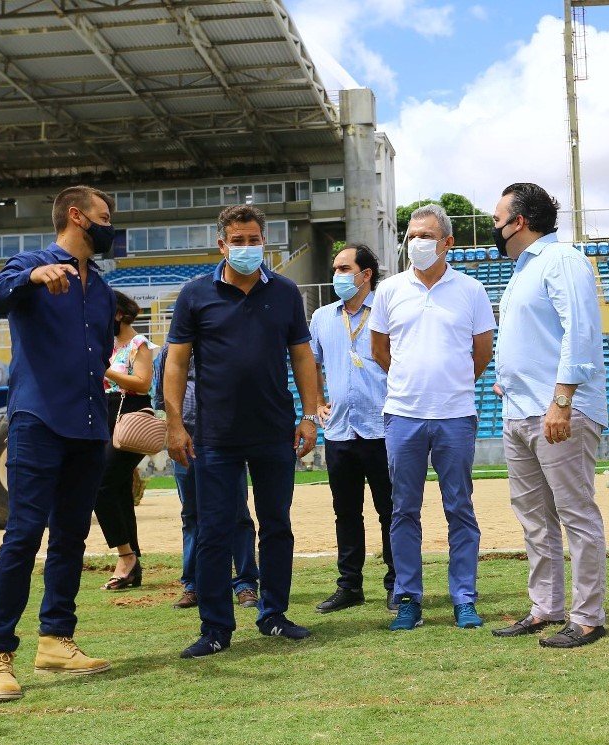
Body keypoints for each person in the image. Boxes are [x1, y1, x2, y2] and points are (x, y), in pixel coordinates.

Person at [0, 185, 117, 702]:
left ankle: (57, 639)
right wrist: (33, 276)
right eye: (104, 217)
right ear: (77, 217)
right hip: (38, 421)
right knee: (23, 534)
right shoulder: (31, 264)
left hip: (88, 424)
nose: (110, 226)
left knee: (72, 537)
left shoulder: (100, 288)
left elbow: (99, 352)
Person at [164, 204, 319, 658]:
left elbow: (303, 357)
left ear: (263, 241)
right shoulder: (195, 295)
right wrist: (174, 423)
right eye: (239, 240)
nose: (248, 248)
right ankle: (215, 627)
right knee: (215, 530)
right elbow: (175, 362)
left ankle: (273, 614)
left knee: (276, 526)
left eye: (255, 240)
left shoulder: (287, 293)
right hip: (214, 434)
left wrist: (309, 415)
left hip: (274, 431)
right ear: (222, 244)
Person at [489, 183, 609, 648]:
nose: (494, 226)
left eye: (498, 218)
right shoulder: (522, 270)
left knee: (575, 513)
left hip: (558, 411)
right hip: (519, 409)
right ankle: (546, 607)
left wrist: (562, 401)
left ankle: (588, 616)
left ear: (519, 222)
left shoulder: (562, 260)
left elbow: (579, 331)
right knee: (534, 516)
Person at [369, 203, 496, 631]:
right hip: (403, 415)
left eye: (426, 235)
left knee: (459, 508)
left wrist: (450, 384)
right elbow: (379, 351)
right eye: (411, 235)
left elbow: (482, 354)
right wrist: (412, 382)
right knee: (403, 510)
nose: (416, 243)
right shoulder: (388, 290)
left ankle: (464, 598)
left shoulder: (471, 290)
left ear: (447, 243)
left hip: (455, 415)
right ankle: (408, 597)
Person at [309, 243, 396, 614]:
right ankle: (350, 586)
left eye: (344, 269)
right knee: (345, 512)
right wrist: (315, 404)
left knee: (392, 511)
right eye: (335, 269)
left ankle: (398, 583)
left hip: (383, 428)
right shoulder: (322, 317)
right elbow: (310, 362)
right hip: (339, 431)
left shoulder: (387, 311)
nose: (337, 276)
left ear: (366, 275)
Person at [153, 344, 259, 610]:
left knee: (237, 513)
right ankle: (193, 585)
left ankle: (245, 583)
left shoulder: (226, 342)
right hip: (185, 439)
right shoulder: (170, 350)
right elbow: (160, 397)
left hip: (226, 439)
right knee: (192, 515)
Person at [92, 290, 156, 590]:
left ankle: (125, 555)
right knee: (115, 488)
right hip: (105, 417)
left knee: (99, 484)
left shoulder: (138, 344)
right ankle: (133, 562)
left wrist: (103, 369)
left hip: (130, 417)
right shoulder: (104, 344)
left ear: (118, 314)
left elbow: (142, 383)